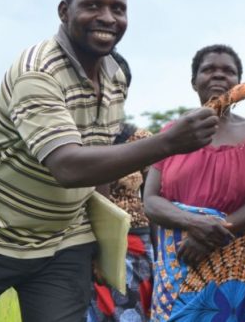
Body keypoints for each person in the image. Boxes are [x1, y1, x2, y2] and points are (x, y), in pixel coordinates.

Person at [0, 0, 219, 322]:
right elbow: (67, 165)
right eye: (93, 5)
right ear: (64, 11)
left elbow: (103, 156)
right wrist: (168, 142)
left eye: (118, 9)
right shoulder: (37, 72)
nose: (107, 17)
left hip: (63, 244)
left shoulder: (115, 74)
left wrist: (104, 238)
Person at [143, 44, 245, 321]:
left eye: (228, 71)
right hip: (180, 263)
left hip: (234, 267)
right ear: (194, 81)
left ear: (239, 82)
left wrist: (215, 232)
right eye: (208, 69)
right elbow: (151, 200)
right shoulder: (172, 134)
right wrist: (194, 223)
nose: (218, 76)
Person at [86, 51, 155, 322]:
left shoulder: (141, 141)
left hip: (135, 249)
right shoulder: (67, 139)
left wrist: (161, 258)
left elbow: (156, 199)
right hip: (80, 246)